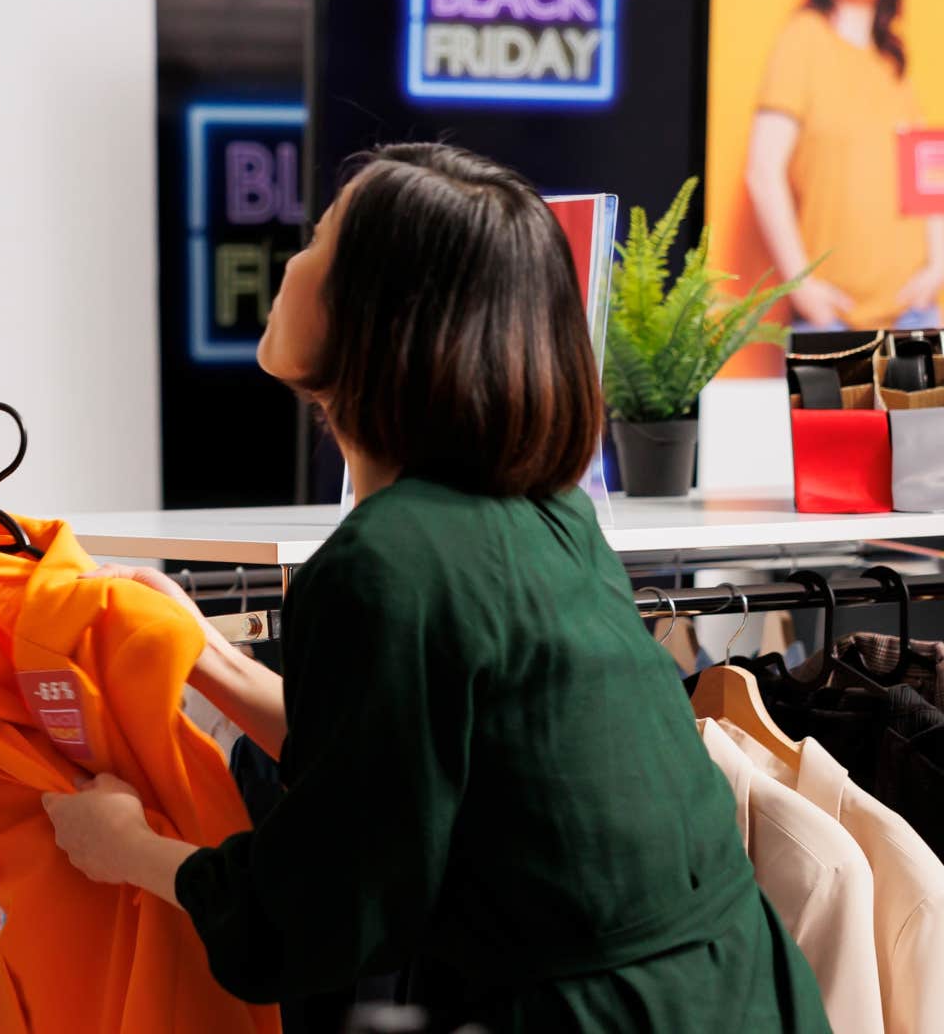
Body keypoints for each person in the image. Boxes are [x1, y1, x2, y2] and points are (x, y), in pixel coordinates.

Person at [43, 144, 831, 1031]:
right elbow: (399, 763)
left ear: (383, 316)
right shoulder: (547, 520)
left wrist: (129, 850)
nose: (291, 260)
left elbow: (325, 905)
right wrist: (202, 653)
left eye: (320, 242)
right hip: (738, 992)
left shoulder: (385, 563)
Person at [747, 0, 941, 331]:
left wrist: (938, 267)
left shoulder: (894, 61)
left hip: (913, 311)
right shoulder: (801, 40)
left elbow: (928, 175)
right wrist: (801, 286)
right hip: (830, 317)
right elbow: (762, 172)